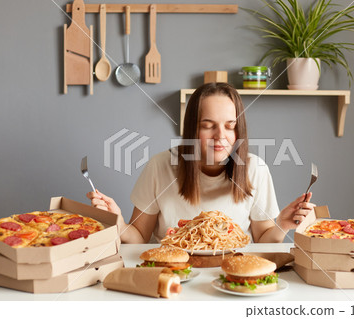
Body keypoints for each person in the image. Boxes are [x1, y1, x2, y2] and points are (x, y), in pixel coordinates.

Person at [87, 82, 315, 244]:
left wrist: (282, 224)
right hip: (172, 272)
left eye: (229, 125)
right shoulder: (160, 166)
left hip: (231, 273)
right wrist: (116, 221)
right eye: (208, 125)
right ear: (192, 129)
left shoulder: (256, 169)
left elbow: (263, 240)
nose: (220, 136)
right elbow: (138, 237)